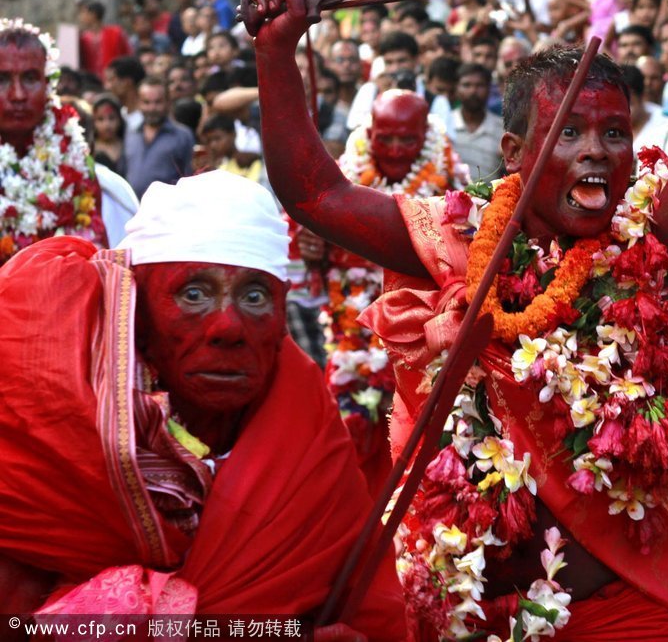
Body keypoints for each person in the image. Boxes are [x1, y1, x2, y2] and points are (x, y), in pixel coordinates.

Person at [251, 0, 668, 640]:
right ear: (518, 154)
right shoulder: (456, 235)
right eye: (572, 131)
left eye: (614, 132)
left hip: (614, 616)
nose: (596, 150)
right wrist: (274, 53)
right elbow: (315, 194)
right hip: (464, 611)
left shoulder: (656, 244)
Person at [0, 170, 407, 639]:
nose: (227, 327)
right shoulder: (47, 443)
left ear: (281, 314)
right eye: (193, 294)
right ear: (136, 309)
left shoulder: (311, 439)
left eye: (255, 296)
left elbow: (371, 611)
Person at [307, 89, 467, 496]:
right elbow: (306, 255)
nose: (395, 150)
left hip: (422, 330)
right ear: (369, 132)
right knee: (351, 429)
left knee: (424, 435)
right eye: (385, 138)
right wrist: (312, 244)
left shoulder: (450, 181)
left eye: (407, 140)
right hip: (352, 331)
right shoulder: (338, 178)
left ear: (424, 135)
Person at [0, 18, 107, 267]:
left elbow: (92, 248)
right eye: (2, 79)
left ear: (48, 84)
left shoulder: (73, 152)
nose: (17, 95)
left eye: (29, 78)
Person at [124, 77, 195, 198]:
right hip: (133, 210)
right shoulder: (131, 133)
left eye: (158, 102)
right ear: (139, 103)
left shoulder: (182, 135)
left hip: (168, 211)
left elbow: (190, 178)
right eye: (146, 102)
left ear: (168, 102)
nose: (152, 108)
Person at [451, 62, 504, 180]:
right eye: (466, 85)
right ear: (456, 88)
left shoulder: (502, 129)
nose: (473, 91)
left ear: (489, 89)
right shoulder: (444, 125)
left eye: (480, 85)